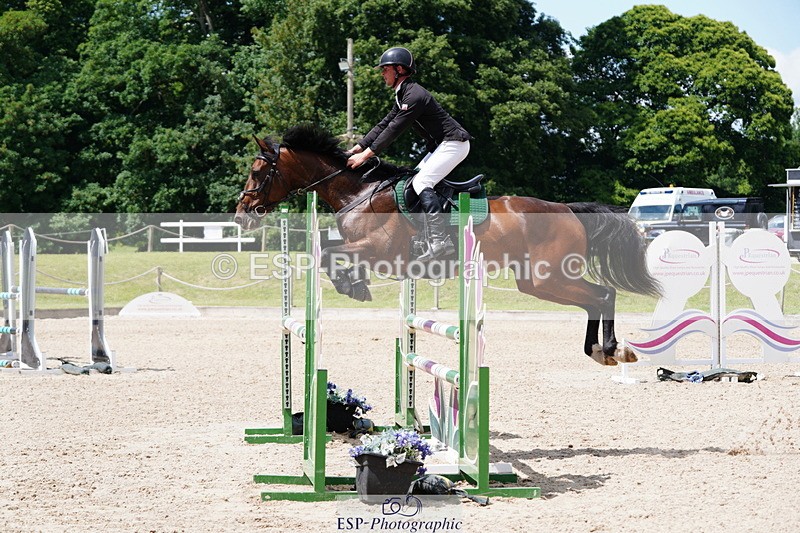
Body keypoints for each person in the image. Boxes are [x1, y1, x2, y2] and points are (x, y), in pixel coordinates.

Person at [346, 47, 471, 261]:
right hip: (442, 146)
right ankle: (426, 235)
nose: (382, 74)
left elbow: (394, 129)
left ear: (400, 69)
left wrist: (365, 156)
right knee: (412, 182)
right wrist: (357, 147)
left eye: (385, 69)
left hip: (454, 143)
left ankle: (440, 241)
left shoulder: (414, 95)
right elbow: (384, 124)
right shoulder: (403, 94)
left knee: (422, 182)